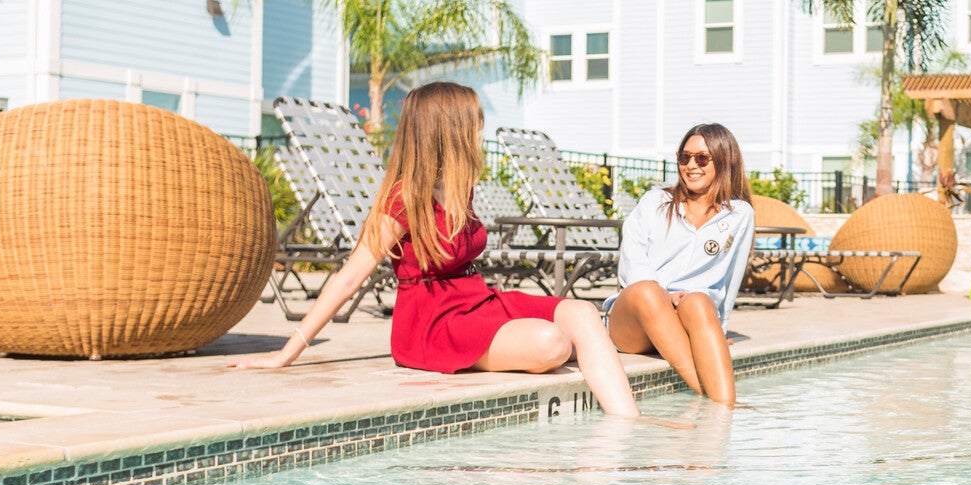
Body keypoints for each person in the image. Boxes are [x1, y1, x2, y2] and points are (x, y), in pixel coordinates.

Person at [227, 82, 642, 419]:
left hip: (477, 299)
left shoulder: (463, 186)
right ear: (450, 131)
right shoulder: (404, 199)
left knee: (583, 312)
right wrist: (287, 352)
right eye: (475, 125)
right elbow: (351, 275)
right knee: (553, 344)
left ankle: (630, 428)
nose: (480, 132)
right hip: (432, 321)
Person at [604, 123, 755, 407]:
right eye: (684, 157)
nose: (691, 166)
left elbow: (730, 280)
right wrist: (665, 296)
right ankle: (708, 395)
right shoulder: (655, 202)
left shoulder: (739, 214)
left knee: (699, 300)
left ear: (725, 160)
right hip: (635, 320)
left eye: (702, 158)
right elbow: (632, 262)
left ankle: (724, 413)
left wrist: (717, 331)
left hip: (688, 317)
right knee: (647, 290)